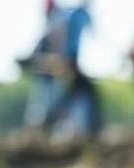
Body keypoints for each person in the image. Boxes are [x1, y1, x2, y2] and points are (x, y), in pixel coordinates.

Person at [45, 1, 102, 138]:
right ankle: (49, 120)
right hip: (70, 59)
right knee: (81, 91)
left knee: (76, 91)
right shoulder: (77, 14)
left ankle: (50, 120)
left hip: (72, 59)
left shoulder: (75, 14)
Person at [21, 0, 63, 129]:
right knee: (38, 107)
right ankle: (34, 135)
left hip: (51, 76)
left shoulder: (56, 25)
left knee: (47, 108)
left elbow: (56, 54)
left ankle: (41, 134)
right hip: (43, 76)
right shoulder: (47, 26)